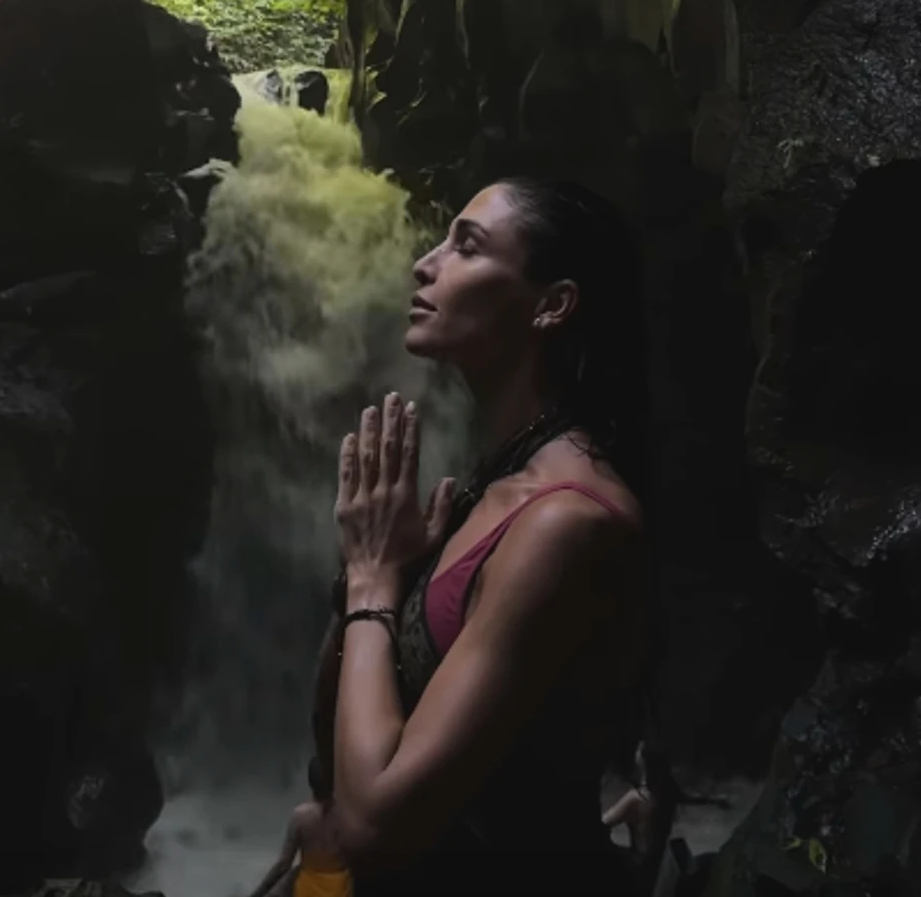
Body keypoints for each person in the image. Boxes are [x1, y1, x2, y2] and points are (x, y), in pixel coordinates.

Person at [265, 177, 655, 896]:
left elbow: (375, 827)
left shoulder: (568, 522)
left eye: (466, 247)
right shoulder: (492, 490)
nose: (424, 261)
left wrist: (372, 583)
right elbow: (338, 768)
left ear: (551, 305)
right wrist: (366, 577)